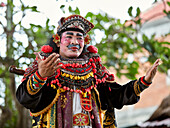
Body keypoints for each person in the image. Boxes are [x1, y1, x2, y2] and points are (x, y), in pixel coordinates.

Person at [16, 14, 160, 128]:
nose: (74, 42)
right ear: (58, 41)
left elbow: (117, 96)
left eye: (79, 38)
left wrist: (145, 81)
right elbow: (24, 98)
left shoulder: (93, 70)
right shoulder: (46, 66)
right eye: (69, 37)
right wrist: (40, 76)